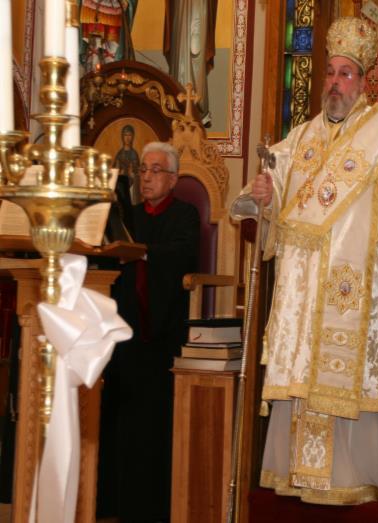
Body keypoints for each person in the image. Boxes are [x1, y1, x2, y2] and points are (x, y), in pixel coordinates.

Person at [231, 16, 378, 505]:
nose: (334, 83)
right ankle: (296, 482)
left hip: (354, 290)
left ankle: (353, 485)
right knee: (303, 377)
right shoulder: (299, 141)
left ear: (362, 82)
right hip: (302, 290)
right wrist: (264, 196)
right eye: (330, 73)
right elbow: (258, 204)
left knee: (345, 381)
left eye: (345, 73)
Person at [97, 142, 200, 522]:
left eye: (155, 170)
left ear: (173, 178)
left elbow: (182, 254)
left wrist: (141, 252)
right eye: (142, 170)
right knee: (116, 416)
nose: (146, 177)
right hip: (123, 330)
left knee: (151, 426)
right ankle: (112, 504)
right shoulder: (129, 216)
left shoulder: (184, 215)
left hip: (161, 332)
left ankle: (152, 508)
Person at [164, 0, 218, 127]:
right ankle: (177, 106)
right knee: (180, 52)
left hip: (199, 7)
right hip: (180, 7)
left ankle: (199, 110)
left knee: (197, 53)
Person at [79, 0, 138, 73]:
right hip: (91, 16)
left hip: (114, 17)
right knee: (93, 55)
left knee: (111, 56)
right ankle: (92, 78)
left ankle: (109, 79)